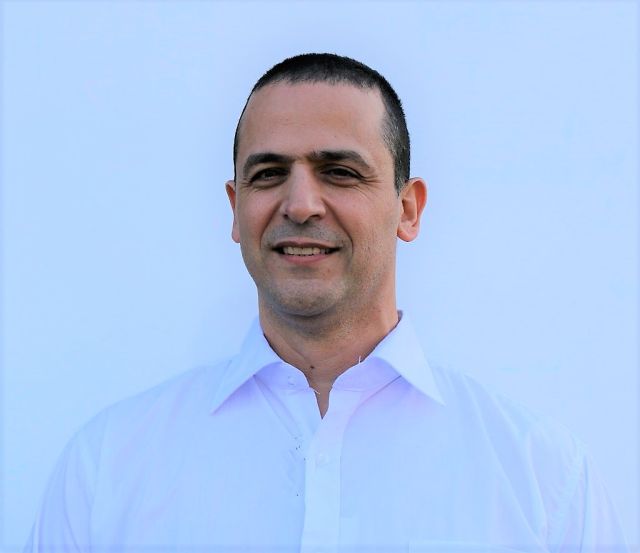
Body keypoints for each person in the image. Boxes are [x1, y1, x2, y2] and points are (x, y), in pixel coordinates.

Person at [25, 53, 628, 553]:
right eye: (268, 174)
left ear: (408, 209)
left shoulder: (543, 481)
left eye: (339, 171)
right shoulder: (108, 470)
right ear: (235, 208)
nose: (300, 204)